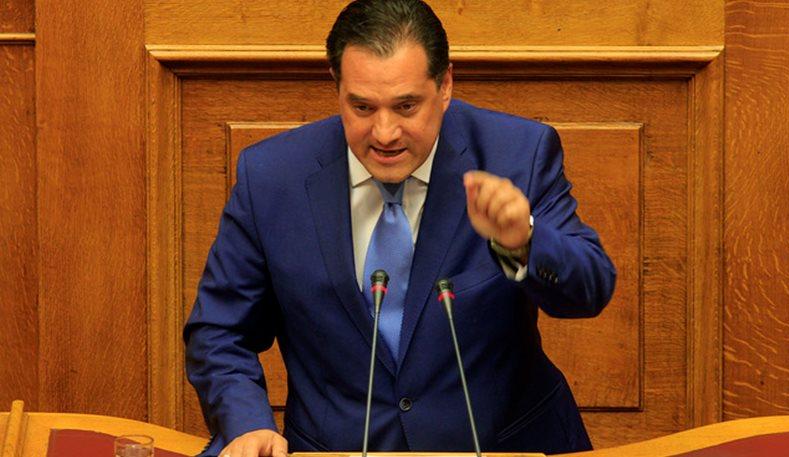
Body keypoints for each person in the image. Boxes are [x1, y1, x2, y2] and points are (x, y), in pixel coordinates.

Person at [184, 1, 616, 456]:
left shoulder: (516, 154)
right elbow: (220, 331)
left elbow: (590, 288)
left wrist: (524, 241)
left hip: (500, 447)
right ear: (336, 85)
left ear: (445, 86)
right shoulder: (273, 177)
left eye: (406, 106)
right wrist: (247, 424)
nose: (384, 133)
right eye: (362, 107)